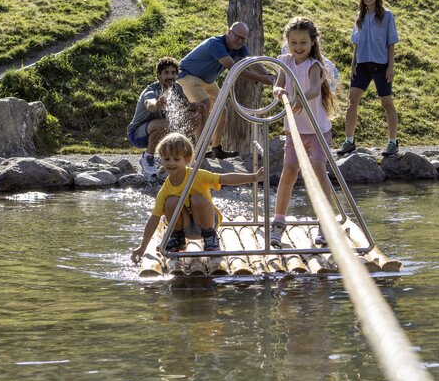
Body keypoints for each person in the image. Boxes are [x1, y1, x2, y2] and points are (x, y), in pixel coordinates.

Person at [130, 132, 263, 260]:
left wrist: (253, 177)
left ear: (187, 159)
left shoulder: (197, 175)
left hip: (207, 222)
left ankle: (210, 237)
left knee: (196, 198)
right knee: (170, 201)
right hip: (185, 228)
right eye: (166, 159)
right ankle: (177, 237)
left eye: (176, 159)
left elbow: (224, 178)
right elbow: (154, 217)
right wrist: (142, 247)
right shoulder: (166, 188)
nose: (171, 163)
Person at [270, 17, 338, 248]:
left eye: (303, 43)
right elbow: (277, 85)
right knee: (289, 171)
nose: (298, 47)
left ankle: (325, 223)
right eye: (294, 42)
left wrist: (299, 96)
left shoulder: (314, 66)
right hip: (294, 130)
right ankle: (278, 221)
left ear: (312, 43)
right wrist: (280, 93)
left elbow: (313, 89)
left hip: (317, 131)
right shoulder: (285, 61)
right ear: (287, 42)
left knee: (318, 169)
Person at [177, 21, 275, 159]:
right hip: (188, 76)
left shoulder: (240, 47)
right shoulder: (215, 44)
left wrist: (269, 76)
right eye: (237, 36)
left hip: (207, 80)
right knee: (204, 106)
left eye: (243, 38)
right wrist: (261, 79)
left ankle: (216, 149)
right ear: (228, 32)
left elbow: (252, 63)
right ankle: (199, 150)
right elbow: (235, 69)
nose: (239, 40)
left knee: (222, 110)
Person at [337, 0, 400, 158]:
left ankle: (393, 142)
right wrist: (353, 64)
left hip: (381, 65)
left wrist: (390, 67)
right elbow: (356, 43)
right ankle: (349, 141)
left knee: (386, 102)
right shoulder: (360, 17)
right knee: (352, 101)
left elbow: (391, 43)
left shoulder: (387, 16)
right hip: (362, 65)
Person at [127, 57, 206, 177]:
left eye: (173, 73)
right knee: (166, 123)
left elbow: (185, 106)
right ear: (159, 75)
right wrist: (158, 103)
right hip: (137, 134)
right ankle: (147, 158)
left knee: (194, 117)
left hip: (161, 128)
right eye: (166, 73)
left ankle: (171, 155)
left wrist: (197, 106)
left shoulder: (177, 88)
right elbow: (150, 105)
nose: (170, 76)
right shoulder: (151, 90)